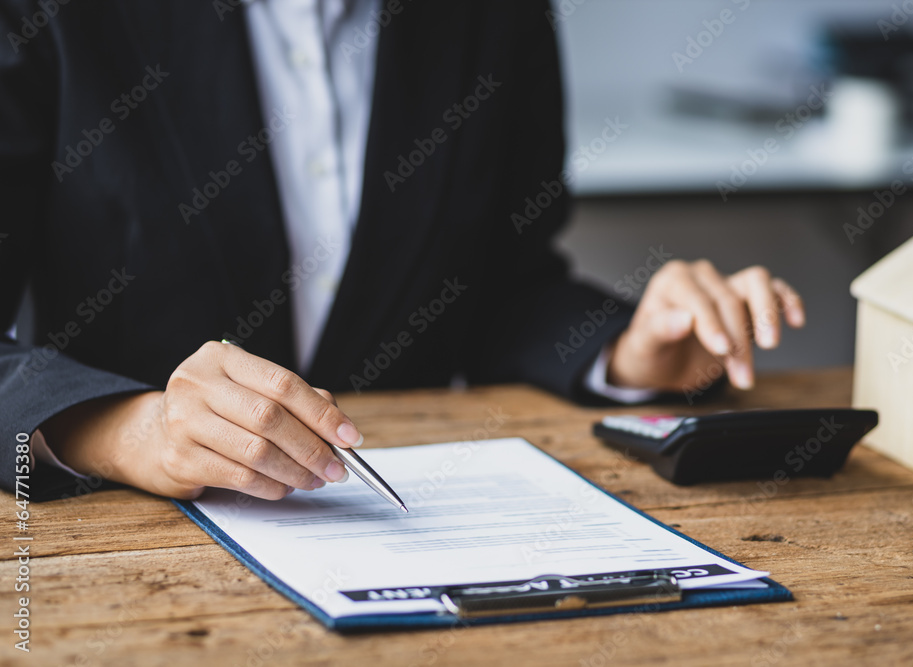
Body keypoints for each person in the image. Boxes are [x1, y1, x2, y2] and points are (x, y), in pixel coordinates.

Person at [0, 0, 804, 502]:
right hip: (131, 544)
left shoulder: (494, 16)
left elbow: (501, 285)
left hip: (408, 537)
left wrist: (626, 353)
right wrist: (139, 431)